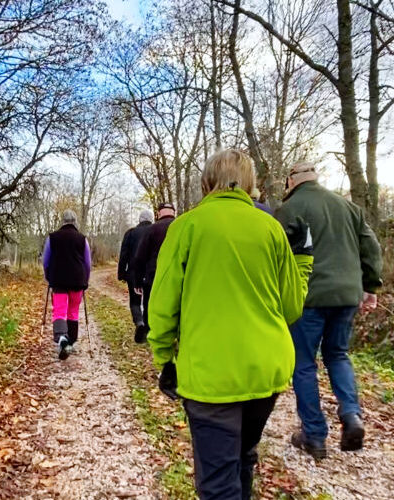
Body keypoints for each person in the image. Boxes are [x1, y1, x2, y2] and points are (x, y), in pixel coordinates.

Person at [147, 149, 314, 500]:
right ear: (251, 184)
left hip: (211, 376)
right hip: (267, 371)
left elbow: (162, 305)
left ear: (207, 182)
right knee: (243, 456)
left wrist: (164, 357)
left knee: (218, 481)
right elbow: (291, 308)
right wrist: (302, 262)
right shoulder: (270, 227)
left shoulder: (187, 226)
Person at [274, 161, 382, 459]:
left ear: (291, 180)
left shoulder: (288, 209)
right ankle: (351, 415)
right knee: (337, 354)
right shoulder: (347, 207)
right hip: (347, 295)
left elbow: (278, 256)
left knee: (304, 364)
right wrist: (370, 286)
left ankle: (315, 435)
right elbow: (371, 248)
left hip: (308, 298)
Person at [43, 209, 91, 360]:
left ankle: (62, 340)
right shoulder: (82, 239)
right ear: (75, 221)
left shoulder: (52, 238)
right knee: (73, 312)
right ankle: (70, 343)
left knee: (59, 311)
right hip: (78, 280)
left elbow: (46, 260)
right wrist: (86, 279)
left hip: (58, 280)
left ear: (62, 221)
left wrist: (48, 276)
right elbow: (88, 263)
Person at [130, 202, 176, 340]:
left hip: (153, 275)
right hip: (177, 275)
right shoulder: (182, 226)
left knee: (149, 304)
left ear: (159, 213)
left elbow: (140, 256)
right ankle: (174, 334)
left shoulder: (152, 229)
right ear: (173, 212)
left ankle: (150, 333)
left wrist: (137, 282)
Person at [118, 210, 154, 343]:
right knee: (149, 301)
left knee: (135, 301)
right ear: (151, 219)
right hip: (151, 272)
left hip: (133, 273)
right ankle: (148, 328)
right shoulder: (154, 231)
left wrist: (121, 273)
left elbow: (124, 254)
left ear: (139, 220)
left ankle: (139, 322)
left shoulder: (131, 233)